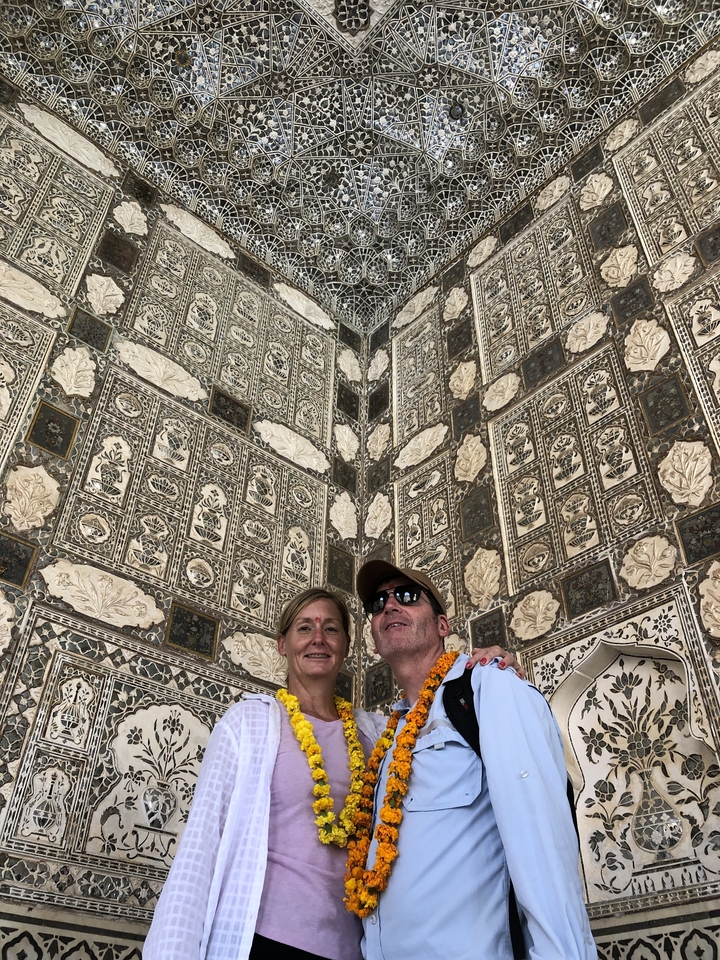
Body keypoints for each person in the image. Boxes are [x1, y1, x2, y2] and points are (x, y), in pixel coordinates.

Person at [142, 586, 521, 960]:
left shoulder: (377, 733)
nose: (318, 639)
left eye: (332, 629)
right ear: (282, 644)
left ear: (346, 646)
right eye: (304, 628)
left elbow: (434, 727)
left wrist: (486, 668)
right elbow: (200, 847)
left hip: (356, 947)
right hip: (263, 940)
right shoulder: (250, 723)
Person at [347, 560, 597, 960]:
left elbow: (543, 848)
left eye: (407, 596)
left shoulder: (486, 686)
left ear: (443, 625)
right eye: (379, 603)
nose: (390, 605)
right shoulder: (387, 736)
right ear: (375, 642)